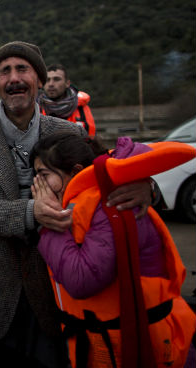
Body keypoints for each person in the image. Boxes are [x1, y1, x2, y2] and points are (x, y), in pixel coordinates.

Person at [0, 41, 154, 367]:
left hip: (57, 291)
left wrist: (146, 187)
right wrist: (30, 212)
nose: (14, 78)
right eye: (4, 72)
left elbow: (111, 171)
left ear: (39, 80)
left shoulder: (69, 132)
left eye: (22, 69)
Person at [32, 133, 196, 367]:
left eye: (43, 175)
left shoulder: (113, 204)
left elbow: (82, 279)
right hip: (105, 342)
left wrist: (49, 225)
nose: (37, 185)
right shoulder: (85, 202)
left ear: (76, 170)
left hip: (150, 346)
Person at [38, 64, 96, 137]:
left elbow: (90, 138)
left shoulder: (81, 108)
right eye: (47, 80)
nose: (51, 84)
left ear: (67, 83)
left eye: (56, 79)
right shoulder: (35, 108)